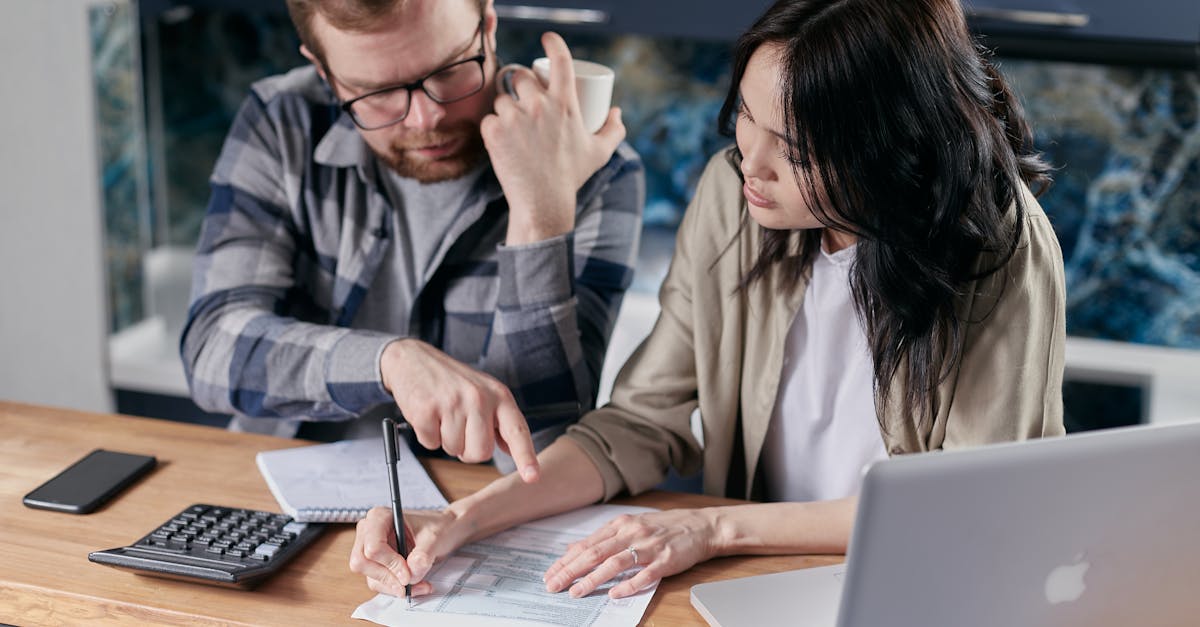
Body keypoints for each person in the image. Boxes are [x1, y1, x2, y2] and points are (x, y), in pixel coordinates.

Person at [349, 0, 1066, 600]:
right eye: (746, 116)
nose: (749, 160)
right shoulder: (735, 198)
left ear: (891, 148)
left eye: (797, 150)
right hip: (759, 581)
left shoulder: (1002, 249)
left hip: (920, 589)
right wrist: (463, 517)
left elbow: (964, 508)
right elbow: (636, 423)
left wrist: (715, 528)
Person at [180, 0, 645, 478]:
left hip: (479, 513)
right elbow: (211, 352)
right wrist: (389, 363)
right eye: (375, 92)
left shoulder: (594, 166)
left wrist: (538, 218)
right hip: (279, 487)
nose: (426, 119)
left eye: (448, 71)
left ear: (486, 26)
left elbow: (541, 456)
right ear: (324, 72)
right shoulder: (283, 122)